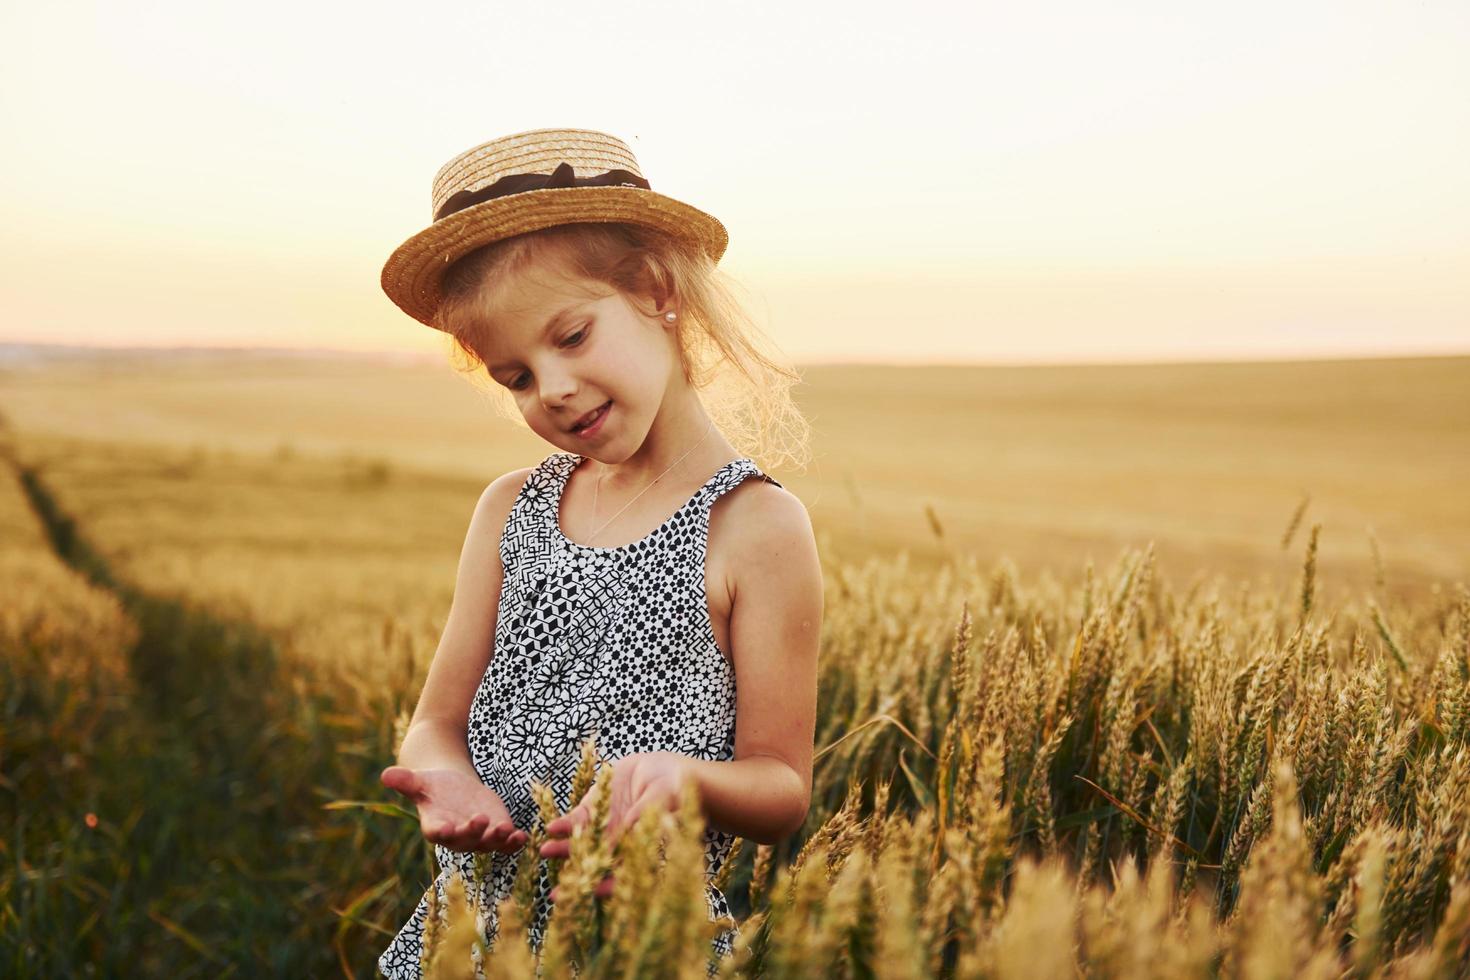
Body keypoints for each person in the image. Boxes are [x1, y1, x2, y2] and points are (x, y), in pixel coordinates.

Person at [373, 128, 823, 979]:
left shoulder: (756, 526)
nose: (553, 390)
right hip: (471, 947)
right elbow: (436, 722)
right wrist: (445, 777)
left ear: (657, 291)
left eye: (571, 337)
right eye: (515, 377)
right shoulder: (512, 510)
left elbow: (779, 786)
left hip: (642, 946)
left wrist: (680, 778)